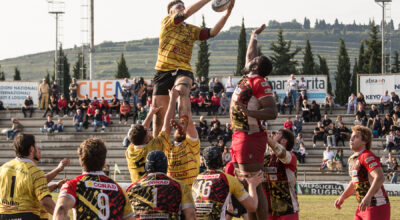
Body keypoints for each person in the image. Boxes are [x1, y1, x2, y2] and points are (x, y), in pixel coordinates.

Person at [151, 0, 235, 138]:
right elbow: (186, 13)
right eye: (178, 7)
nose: (181, 8)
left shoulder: (191, 29)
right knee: (159, 114)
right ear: (170, 13)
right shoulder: (167, 22)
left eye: (182, 6)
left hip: (183, 69)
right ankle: (155, 147)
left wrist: (227, 13)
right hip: (163, 70)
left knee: (182, 90)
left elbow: (212, 32)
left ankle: (183, 123)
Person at [230, 24, 277, 220]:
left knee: (254, 183)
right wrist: (253, 36)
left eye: (254, 61)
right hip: (241, 135)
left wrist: (248, 111)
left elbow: (272, 112)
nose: (250, 59)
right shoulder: (249, 77)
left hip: (250, 136)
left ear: (256, 67)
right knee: (246, 183)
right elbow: (250, 55)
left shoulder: (259, 82)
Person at [54, 138, 134, 219]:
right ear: (104, 162)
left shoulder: (74, 185)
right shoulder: (120, 190)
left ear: (81, 160)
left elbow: (60, 211)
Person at [334, 125, 390, 220]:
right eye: (351, 136)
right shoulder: (352, 159)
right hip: (362, 206)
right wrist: (342, 197)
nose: (351, 139)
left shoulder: (367, 156)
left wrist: (367, 197)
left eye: (356, 137)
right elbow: (355, 182)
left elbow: (380, 177)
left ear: (365, 141)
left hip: (377, 206)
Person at [192, 146, 263, 219]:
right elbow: (252, 207)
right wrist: (252, 185)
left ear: (204, 161)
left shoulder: (196, 179)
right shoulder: (228, 179)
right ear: (222, 160)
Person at [126, 88, 178, 183]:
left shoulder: (130, 152)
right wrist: (173, 99)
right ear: (147, 138)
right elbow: (167, 124)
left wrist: (150, 113)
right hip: (156, 188)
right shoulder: (154, 146)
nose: (149, 129)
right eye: (148, 131)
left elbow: (140, 131)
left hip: (139, 189)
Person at [126, 150, 195, 219]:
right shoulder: (180, 186)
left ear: (146, 166)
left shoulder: (132, 188)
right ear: (165, 165)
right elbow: (190, 214)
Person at [0, 133, 55, 219]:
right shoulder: (35, 172)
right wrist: (61, 214)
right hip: (26, 215)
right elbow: (45, 202)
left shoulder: (2, 168)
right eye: (35, 144)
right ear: (32, 149)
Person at [263, 129, 299, 219]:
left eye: (278, 134)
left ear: (283, 141)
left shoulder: (291, 156)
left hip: (287, 209)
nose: (273, 134)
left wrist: (266, 138)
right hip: (270, 210)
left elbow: (281, 153)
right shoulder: (267, 158)